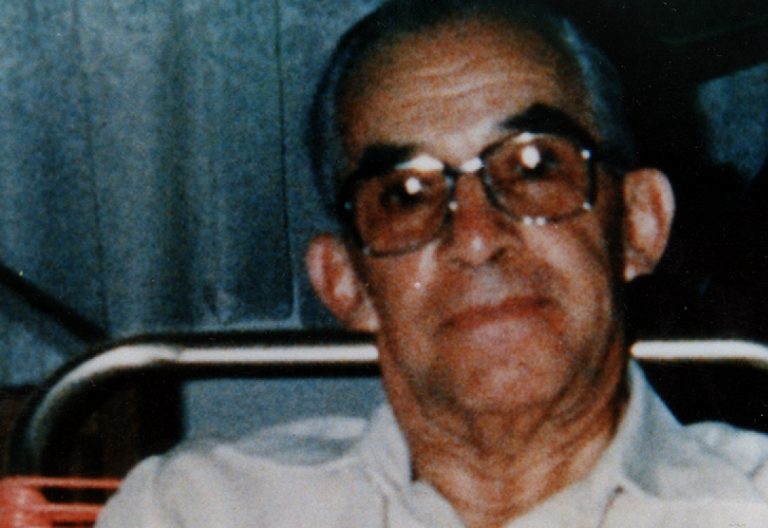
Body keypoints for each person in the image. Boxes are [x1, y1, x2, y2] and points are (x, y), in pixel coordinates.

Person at [97, 0, 768, 526]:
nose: (476, 238)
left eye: (534, 166)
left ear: (640, 225)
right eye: (405, 195)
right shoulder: (198, 511)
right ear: (345, 283)